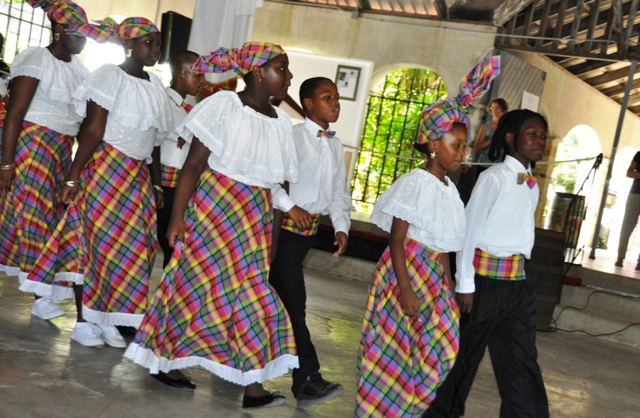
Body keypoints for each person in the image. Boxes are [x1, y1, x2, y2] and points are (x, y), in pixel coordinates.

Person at [124, 42, 299, 410]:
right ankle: (164, 362)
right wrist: (176, 217)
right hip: (214, 210)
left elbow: (277, 184)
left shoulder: (283, 122)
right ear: (256, 72)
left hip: (254, 218)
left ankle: (253, 386)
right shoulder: (223, 105)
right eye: (281, 69)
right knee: (191, 289)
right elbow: (193, 165)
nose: (288, 76)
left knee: (253, 295)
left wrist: (275, 232)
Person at [356, 49, 500, 418]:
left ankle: (405, 409)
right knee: (393, 349)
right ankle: (380, 409)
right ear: (434, 144)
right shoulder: (416, 183)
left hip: (433, 275)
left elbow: (446, 245)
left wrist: (449, 287)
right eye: (456, 145)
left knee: (439, 347)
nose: (462, 153)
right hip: (406, 271)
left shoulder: (450, 189)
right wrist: (404, 287)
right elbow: (398, 239)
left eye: (465, 146)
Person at [46, 16, 172, 347]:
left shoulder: (155, 86)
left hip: (137, 176)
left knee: (133, 250)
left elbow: (155, 141)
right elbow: (92, 130)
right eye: (149, 42)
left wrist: (156, 184)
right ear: (129, 44)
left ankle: (107, 317)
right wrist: (73, 178)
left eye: (158, 44)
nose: (155, 49)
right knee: (93, 246)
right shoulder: (109, 77)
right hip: (105, 170)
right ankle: (84, 320)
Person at [424, 109, 550, 418]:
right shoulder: (493, 178)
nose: (539, 141)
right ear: (510, 138)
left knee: (522, 361)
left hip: (517, 286)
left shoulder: (530, 182)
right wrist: (464, 284)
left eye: (542, 136)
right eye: (532, 134)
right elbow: (469, 233)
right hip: (485, 285)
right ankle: (440, 414)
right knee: (464, 358)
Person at [0, 0, 108, 318]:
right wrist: (6, 164)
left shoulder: (79, 71)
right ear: (59, 29)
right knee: (34, 220)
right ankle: (41, 295)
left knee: (37, 221)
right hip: (31, 147)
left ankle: (40, 293)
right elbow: (15, 114)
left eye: (87, 35)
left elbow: (83, 124)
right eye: (78, 33)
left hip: (59, 152)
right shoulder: (37, 59)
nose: (83, 40)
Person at [269, 77, 350, 407]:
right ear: (307, 103)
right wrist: (292, 207)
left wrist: (341, 226)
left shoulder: (333, 143)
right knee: (295, 306)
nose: (335, 102)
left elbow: (338, 192)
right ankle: (308, 380)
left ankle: (238, 366)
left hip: (308, 235)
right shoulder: (292, 136)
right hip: (283, 233)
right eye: (327, 96)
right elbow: (270, 179)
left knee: (278, 303)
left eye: (337, 97)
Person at [157, 50, 205, 268]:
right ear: (180, 74)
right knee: (168, 241)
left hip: (181, 185)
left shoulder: (191, 109)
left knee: (176, 246)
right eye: (198, 75)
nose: (203, 81)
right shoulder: (162, 102)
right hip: (163, 183)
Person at [615, 151, 640, 269]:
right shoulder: (639, 155)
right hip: (636, 193)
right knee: (628, 225)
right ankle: (620, 257)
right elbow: (629, 173)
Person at [473, 98, 508, 175]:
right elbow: (477, 146)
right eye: (493, 107)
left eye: (497, 107)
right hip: (484, 164)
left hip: (500, 165)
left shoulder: (508, 127)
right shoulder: (485, 126)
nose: (495, 110)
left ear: (503, 108)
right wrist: (491, 140)